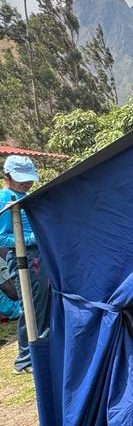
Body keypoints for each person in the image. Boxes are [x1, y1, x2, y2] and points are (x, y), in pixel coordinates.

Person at [0, 155, 50, 374]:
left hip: (38, 256)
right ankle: (25, 359)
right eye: (22, 179)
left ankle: (42, 350)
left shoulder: (26, 195)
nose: (27, 183)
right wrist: (33, 238)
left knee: (42, 306)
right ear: (7, 176)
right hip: (23, 259)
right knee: (29, 308)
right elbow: (1, 238)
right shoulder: (4, 199)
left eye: (29, 178)